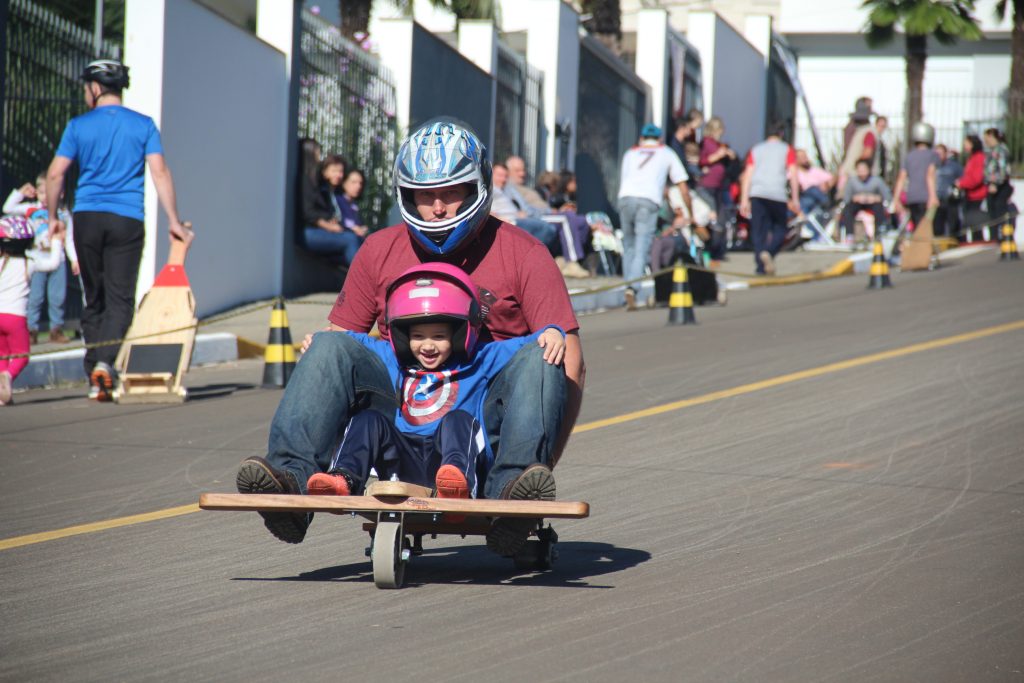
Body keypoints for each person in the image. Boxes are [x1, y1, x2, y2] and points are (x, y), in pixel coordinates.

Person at [234, 118, 585, 558]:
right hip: (402, 414)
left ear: (478, 187)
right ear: (405, 194)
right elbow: (343, 343)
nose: (437, 208)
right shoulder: (379, 249)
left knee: (545, 353)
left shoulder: (524, 253)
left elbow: (571, 364)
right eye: (424, 194)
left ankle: (512, 495)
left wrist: (543, 458)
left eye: (451, 192)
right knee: (327, 346)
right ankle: (290, 483)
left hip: (487, 420)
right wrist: (322, 346)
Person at [306, 263, 565, 505]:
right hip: (403, 457)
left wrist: (553, 331)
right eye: (418, 336)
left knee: (458, 419)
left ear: (459, 335)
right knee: (368, 419)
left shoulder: (480, 358)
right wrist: (321, 340)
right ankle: (343, 478)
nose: (428, 346)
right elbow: (351, 342)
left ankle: (456, 483)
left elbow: (527, 344)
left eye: (439, 336)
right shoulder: (393, 358)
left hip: (453, 457)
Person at [44, 59, 192, 401]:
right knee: (120, 297)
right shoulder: (143, 125)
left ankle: (95, 372)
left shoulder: (78, 126)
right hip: (126, 219)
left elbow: (55, 174)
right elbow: (160, 172)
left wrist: (52, 217)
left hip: (87, 218)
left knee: (94, 296)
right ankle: (105, 364)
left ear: (95, 88)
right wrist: (173, 220)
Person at [617, 123, 693, 310]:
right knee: (642, 247)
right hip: (648, 201)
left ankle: (628, 286)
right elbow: (682, 186)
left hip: (625, 199)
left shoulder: (630, 152)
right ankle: (632, 288)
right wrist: (689, 211)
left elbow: (625, 178)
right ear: (660, 139)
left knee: (628, 246)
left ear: (641, 138)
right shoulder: (666, 152)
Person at [4, 174, 79, 344]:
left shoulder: (63, 213)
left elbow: (69, 239)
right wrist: (20, 193)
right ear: (37, 193)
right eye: (42, 193)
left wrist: (74, 259)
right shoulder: (31, 209)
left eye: (50, 193)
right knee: (35, 297)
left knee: (57, 297)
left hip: (58, 260)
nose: (46, 197)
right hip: (37, 260)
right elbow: (8, 208)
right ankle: (31, 330)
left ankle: (56, 329)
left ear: (60, 193)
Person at [0, 216, 62, 405]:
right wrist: (57, 240)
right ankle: (8, 376)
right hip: (16, 317)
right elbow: (53, 263)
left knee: (2, 355)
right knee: (22, 355)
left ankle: (3, 393)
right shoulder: (30, 261)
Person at [739, 122, 801, 275]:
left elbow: (748, 175)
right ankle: (769, 251)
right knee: (781, 228)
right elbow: (794, 174)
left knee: (758, 230)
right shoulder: (787, 149)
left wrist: (744, 199)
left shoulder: (756, 149)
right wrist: (795, 198)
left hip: (757, 193)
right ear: (781, 134)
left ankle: (760, 267)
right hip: (777, 193)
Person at [299, 150, 362, 268]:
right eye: (334, 171)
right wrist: (328, 225)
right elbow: (308, 213)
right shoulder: (312, 184)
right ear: (325, 171)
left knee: (359, 241)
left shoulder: (331, 191)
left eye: (341, 171)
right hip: (309, 232)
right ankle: (360, 277)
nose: (339, 175)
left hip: (324, 232)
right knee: (351, 240)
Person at [891, 122, 940, 229]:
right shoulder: (933, 155)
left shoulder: (909, 156)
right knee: (927, 229)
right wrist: (933, 196)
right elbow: (930, 175)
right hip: (926, 197)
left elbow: (901, 178)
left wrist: (896, 199)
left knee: (917, 227)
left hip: (912, 197)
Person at [840, 159, 892, 243]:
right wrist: (855, 198)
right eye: (859, 170)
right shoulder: (852, 181)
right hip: (857, 203)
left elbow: (887, 196)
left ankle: (878, 234)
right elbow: (846, 198)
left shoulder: (877, 180)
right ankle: (849, 235)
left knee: (879, 209)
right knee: (847, 210)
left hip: (873, 203)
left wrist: (876, 198)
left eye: (864, 170)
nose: (862, 173)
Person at [698, 116, 737, 214]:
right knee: (712, 210)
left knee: (721, 210)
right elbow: (702, 160)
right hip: (708, 183)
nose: (722, 132)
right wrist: (718, 155)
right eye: (720, 129)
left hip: (718, 184)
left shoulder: (718, 144)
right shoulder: (706, 142)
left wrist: (730, 155)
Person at [838, 98, 876, 193]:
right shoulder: (862, 131)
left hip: (855, 175)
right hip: (853, 175)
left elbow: (866, 153)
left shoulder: (866, 132)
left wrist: (855, 167)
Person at [956, 135, 988, 234]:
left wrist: (961, 183)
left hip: (977, 196)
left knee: (976, 226)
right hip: (971, 195)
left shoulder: (979, 158)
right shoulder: (972, 158)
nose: (964, 146)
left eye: (967, 144)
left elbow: (976, 178)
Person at [983, 128, 1013, 221]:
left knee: (998, 215)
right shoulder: (992, 150)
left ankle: (999, 230)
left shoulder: (1000, 150)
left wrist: (995, 183)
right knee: (992, 215)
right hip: (992, 186)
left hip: (999, 187)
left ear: (992, 136)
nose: (985, 141)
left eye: (986, 138)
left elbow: (1003, 170)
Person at [934, 144, 963, 238]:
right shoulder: (932, 167)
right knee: (937, 227)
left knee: (952, 225)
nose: (938, 156)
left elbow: (962, 178)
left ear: (946, 154)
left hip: (950, 200)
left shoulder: (954, 166)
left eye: (940, 154)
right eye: (936, 154)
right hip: (937, 200)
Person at [333, 168, 371, 240]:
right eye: (353, 182)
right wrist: (352, 229)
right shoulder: (336, 202)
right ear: (344, 183)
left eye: (360, 183)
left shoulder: (355, 206)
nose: (358, 186)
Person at [794, 149, 834, 216]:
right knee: (808, 198)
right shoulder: (794, 173)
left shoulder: (814, 170)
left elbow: (831, 178)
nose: (805, 159)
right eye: (802, 157)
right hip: (804, 195)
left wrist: (826, 184)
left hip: (819, 193)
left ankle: (826, 207)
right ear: (796, 160)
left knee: (814, 193)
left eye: (805, 156)